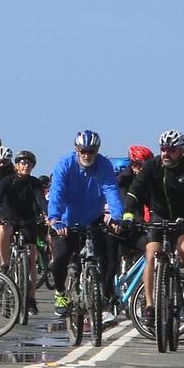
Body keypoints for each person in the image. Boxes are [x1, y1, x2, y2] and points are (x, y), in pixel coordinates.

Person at [119, 130, 184, 325]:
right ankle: (150, 306)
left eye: (172, 150)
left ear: (181, 151)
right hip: (158, 216)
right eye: (163, 149)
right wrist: (128, 214)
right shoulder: (152, 165)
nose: (166, 154)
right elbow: (135, 191)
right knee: (151, 255)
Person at [46, 130, 124, 321]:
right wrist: (55, 218)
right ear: (76, 149)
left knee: (108, 257)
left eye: (91, 151)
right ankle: (60, 293)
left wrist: (117, 217)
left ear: (97, 151)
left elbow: (111, 190)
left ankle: (103, 299)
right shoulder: (65, 165)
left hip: (93, 217)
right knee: (61, 257)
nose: (87, 155)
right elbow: (56, 193)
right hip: (65, 220)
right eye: (83, 151)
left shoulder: (104, 165)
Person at [0, 149, 45, 313]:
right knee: (4, 231)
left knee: (32, 255)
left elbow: (41, 200)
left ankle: (31, 298)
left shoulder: (34, 182)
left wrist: (49, 215)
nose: (26, 166)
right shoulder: (7, 180)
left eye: (30, 163)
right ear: (16, 165)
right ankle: (4, 263)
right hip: (8, 216)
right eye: (23, 162)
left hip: (27, 219)